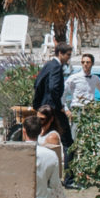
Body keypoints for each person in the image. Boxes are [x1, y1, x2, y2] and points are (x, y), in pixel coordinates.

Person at [22, 111, 67, 198]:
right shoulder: (51, 155)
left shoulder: (17, 153)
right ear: (40, 130)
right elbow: (54, 182)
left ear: (24, 131)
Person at [32, 42, 74, 181]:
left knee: (41, 139)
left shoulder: (48, 65)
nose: (69, 58)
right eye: (68, 55)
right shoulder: (56, 67)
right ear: (60, 53)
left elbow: (37, 83)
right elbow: (53, 88)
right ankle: (69, 179)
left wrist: (38, 104)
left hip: (45, 108)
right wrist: (59, 106)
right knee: (68, 143)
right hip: (54, 110)